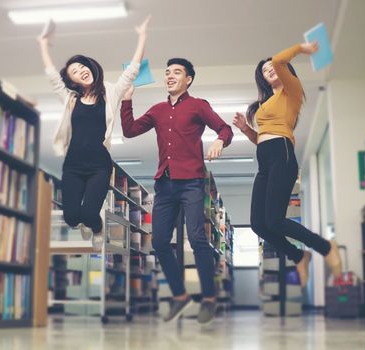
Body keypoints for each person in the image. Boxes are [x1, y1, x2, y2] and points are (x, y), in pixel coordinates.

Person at [120, 58, 233, 325]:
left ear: (189, 79)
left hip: (192, 182)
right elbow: (129, 130)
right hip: (165, 183)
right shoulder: (158, 110)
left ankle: (208, 298)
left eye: (177, 72)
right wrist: (127, 99)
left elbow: (224, 128)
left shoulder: (198, 105)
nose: (170, 76)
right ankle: (180, 296)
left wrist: (219, 140)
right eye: (167, 72)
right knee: (159, 242)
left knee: (197, 239)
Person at [232, 42, 342, 287]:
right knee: (258, 224)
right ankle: (298, 255)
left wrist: (302, 48)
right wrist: (246, 130)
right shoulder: (266, 104)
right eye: (264, 70)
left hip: (282, 154)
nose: (269, 69)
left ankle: (325, 247)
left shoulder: (291, 89)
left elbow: (281, 60)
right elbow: (262, 138)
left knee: (275, 220)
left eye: (271, 67)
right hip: (266, 158)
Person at [38, 16, 150, 250]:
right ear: (72, 81)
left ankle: (97, 227)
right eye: (75, 72)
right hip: (73, 165)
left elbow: (131, 71)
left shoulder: (110, 93)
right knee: (71, 218)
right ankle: (87, 223)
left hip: (99, 165)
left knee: (89, 214)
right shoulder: (70, 99)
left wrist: (142, 37)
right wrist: (42, 44)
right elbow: (51, 77)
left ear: (90, 67)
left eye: (82, 67)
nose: (82, 72)